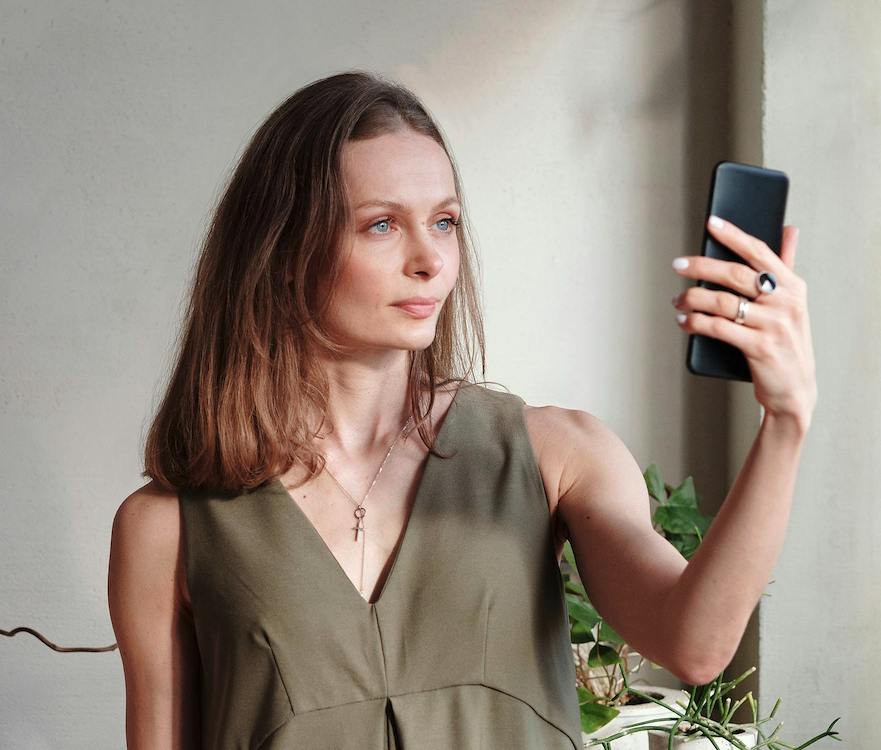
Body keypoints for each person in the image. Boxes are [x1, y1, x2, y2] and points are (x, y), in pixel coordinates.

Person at [107, 70, 816, 750]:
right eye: (381, 225)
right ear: (283, 250)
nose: (430, 260)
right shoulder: (166, 529)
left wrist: (783, 426)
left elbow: (693, 643)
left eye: (443, 222)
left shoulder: (554, 455)